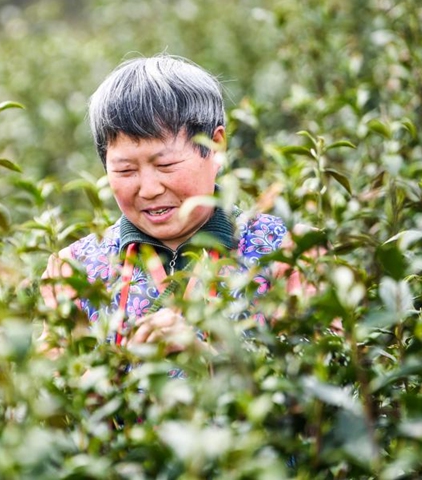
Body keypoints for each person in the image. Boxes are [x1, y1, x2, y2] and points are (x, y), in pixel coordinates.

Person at [40, 54, 301, 359]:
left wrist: (208, 360)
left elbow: (324, 386)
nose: (149, 189)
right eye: (126, 170)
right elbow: (55, 392)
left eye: (166, 164)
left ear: (215, 146)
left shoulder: (285, 251)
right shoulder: (74, 270)